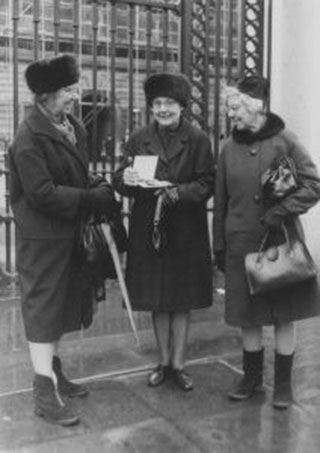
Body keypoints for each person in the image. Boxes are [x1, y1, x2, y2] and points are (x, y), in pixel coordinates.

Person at [9, 54, 119, 426]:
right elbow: (41, 192)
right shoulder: (28, 137)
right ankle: (44, 393)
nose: (74, 96)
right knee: (43, 310)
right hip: (43, 239)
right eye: (67, 90)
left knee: (59, 308)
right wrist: (89, 198)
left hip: (67, 233)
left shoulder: (72, 126)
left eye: (73, 88)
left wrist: (96, 185)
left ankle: (53, 374)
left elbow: (76, 174)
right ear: (46, 96)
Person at [214, 75, 320, 409]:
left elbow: (313, 183)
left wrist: (281, 211)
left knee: (283, 314)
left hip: (280, 242)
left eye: (236, 109)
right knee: (248, 315)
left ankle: (284, 386)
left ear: (254, 108)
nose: (232, 116)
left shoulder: (285, 140)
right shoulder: (227, 149)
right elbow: (221, 201)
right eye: (230, 109)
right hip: (240, 242)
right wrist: (218, 244)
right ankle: (251, 378)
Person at [113, 72, 215, 391]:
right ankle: (163, 361)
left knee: (180, 299)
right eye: (157, 103)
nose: (163, 109)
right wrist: (124, 178)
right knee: (157, 299)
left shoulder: (198, 139)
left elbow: (207, 183)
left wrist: (179, 193)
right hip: (149, 228)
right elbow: (121, 181)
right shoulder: (139, 137)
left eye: (169, 103)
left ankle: (180, 365)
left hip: (186, 230)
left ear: (182, 106)